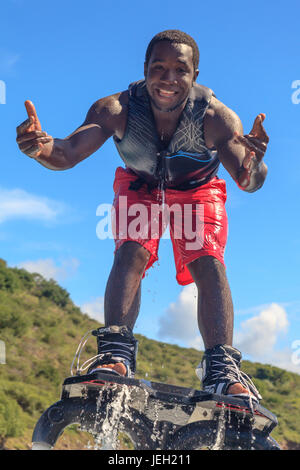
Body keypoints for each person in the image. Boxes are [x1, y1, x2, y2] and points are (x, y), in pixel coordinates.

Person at [16, 30, 269, 402]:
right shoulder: (115, 110)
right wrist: (41, 148)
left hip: (197, 187)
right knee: (130, 250)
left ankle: (220, 370)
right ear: (144, 69)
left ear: (195, 75)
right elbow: (67, 152)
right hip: (142, 183)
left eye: (180, 70)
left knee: (207, 260)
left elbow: (249, 180)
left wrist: (255, 164)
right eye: (159, 67)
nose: (168, 79)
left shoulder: (215, 118)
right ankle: (115, 354)